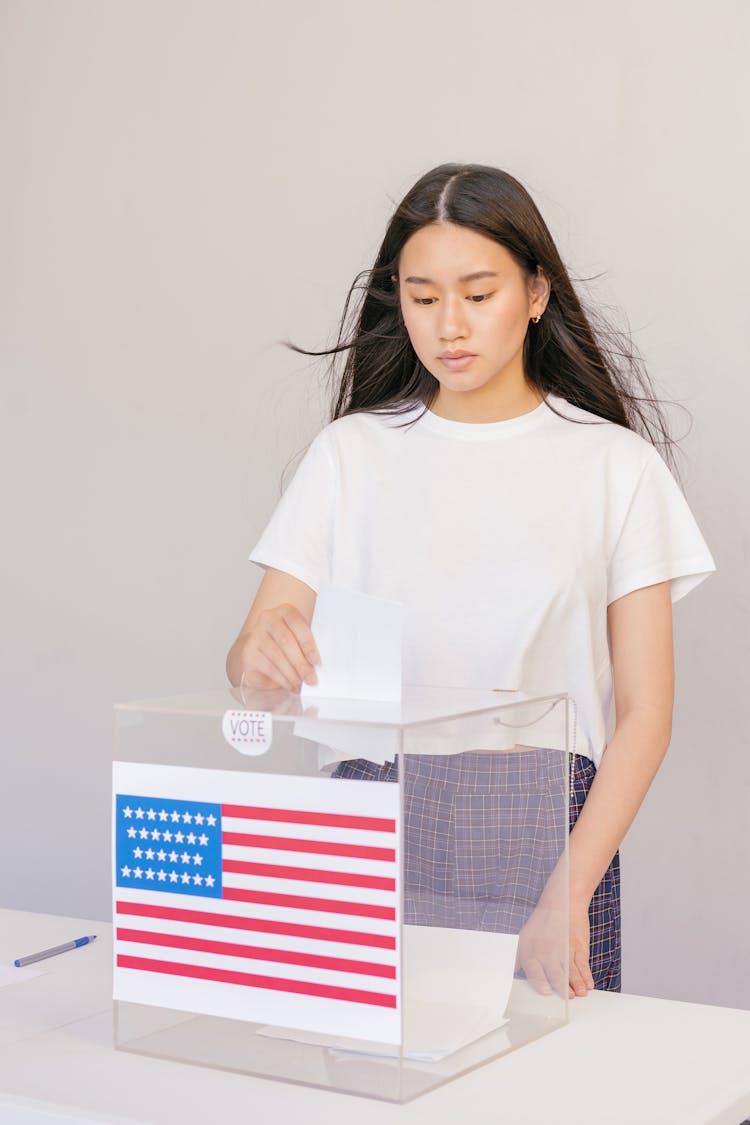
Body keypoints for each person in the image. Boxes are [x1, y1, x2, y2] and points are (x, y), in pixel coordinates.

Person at [226, 162, 716, 1000]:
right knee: (360, 1078)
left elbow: (646, 712)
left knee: (549, 1087)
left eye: (478, 293)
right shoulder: (350, 454)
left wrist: (567, 893)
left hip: (547, 825)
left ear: (535, 293)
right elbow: (249, 666)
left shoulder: (615, 468)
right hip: (370, 806)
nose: (449, 325)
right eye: (422, 297)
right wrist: (259, 659)